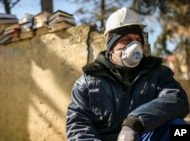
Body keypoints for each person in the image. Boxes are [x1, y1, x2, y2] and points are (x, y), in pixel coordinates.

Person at [66, 7, 189, 141]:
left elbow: (177, 100)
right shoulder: (87, 82)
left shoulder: (158, 73)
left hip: (143, 136)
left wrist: (135, 122)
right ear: (111, 44)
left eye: (138, 39)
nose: (134, 45)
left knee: (180, 130)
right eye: (126, 39)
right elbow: (78, 125)